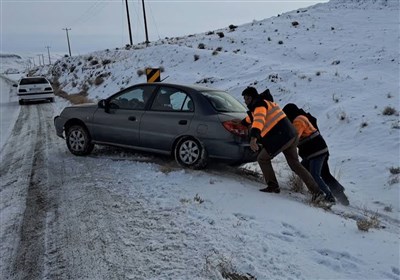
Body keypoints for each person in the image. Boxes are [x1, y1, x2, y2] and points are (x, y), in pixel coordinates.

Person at [240, 87, 324, 202]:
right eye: (244, 99)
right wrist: (241, 123)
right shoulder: (265, 103)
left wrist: (253, 139)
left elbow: (258, 120)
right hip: (291, 135)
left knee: (262, 158)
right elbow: (252, 118)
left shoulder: (259, 105)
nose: (245, 101)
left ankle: (273, 186)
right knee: (295, 164)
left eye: (247, 98)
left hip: (280, 138)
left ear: (253, 97)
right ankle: (317, 192)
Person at [282, 103, 349, 205]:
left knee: (314, 173)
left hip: (316, 151)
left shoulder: (298, 120)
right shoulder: (301, 117)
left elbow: (295, 138)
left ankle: (328, 196)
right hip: (320, 149)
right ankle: (340, 194)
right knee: (323, 174)